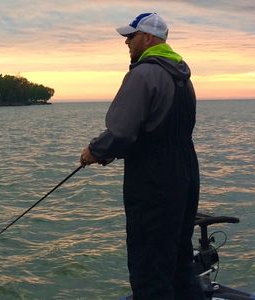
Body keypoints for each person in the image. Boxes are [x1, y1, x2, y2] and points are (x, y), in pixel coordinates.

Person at [79, 13, 204, 299]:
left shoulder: (144, 73)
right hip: (186, 173)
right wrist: (117, 152)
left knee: (149, 264)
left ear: (147, 38)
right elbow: (156, 129)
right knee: (179, 259)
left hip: (154, 181)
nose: (126, 41)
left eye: (131, 36)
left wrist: (95, 151)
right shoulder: (182, 75)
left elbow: (121, 132)